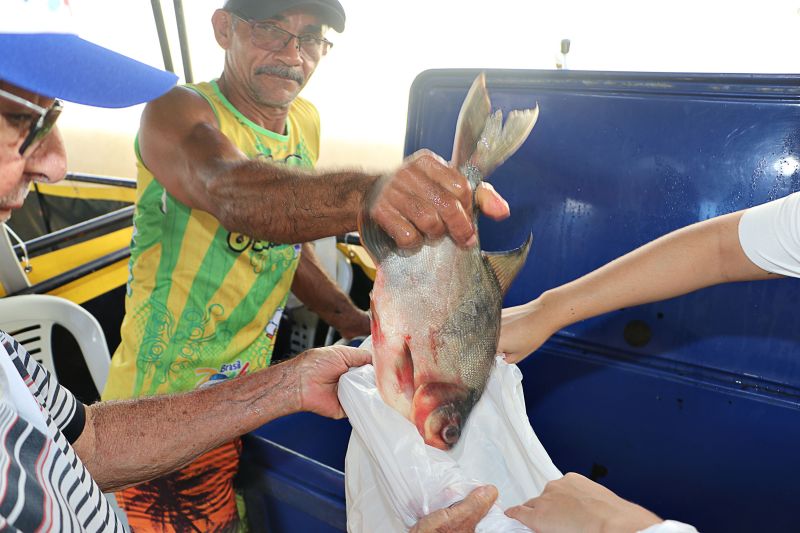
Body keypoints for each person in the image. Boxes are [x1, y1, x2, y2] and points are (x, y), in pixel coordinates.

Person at [0, 1, 509, 531]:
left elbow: (284, 242)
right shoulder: (178, 110)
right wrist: (369, 194)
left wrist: (351, 317)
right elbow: (228, 188)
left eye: (311, 38)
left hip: (247, 389)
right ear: (224, 29)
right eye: (270, 30)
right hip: (162, 398)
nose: (292, 55)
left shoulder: (304, 122)